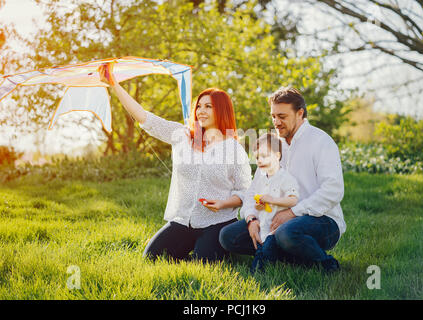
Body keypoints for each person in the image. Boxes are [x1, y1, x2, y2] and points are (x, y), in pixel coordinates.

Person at [99, 64, 252, 262]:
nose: (200, 111)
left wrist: (223, 203)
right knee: (152, 258)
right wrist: (114, 85)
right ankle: (194, 252)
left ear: (221, 111)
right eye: (199, 106)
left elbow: (245, 192)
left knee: (203, 264)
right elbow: (146, 118)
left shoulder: (233, 148)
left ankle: (206, 252)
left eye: (208, 106)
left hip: (217, 222)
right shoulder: (184, 136)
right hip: (183, 220)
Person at [220, 87, 346, 272]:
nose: (276, 122)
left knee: (286, 233)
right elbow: (253, 192)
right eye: (273, 116)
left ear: (300, 113)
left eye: (282, 116)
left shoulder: (321, 142)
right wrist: (251, 219)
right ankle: (288, 256)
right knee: (228, 236)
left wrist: (293, 212)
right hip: (274, 219)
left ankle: (326, 264)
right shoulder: (273, 145)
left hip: (322, 220)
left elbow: (333, 190)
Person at [243, 133, 299, 273]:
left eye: (265, 156)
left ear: (277, 156)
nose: (260, 160)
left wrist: (273, 200)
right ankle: (267, 263)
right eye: (257, 157)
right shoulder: (262, 178)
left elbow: (293, 200)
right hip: (263, 225)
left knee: (266, 251)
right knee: (262, 248)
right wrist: (259, 205)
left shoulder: (286, 178)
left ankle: (258, 272)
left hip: (277, 228)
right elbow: (256, 198)